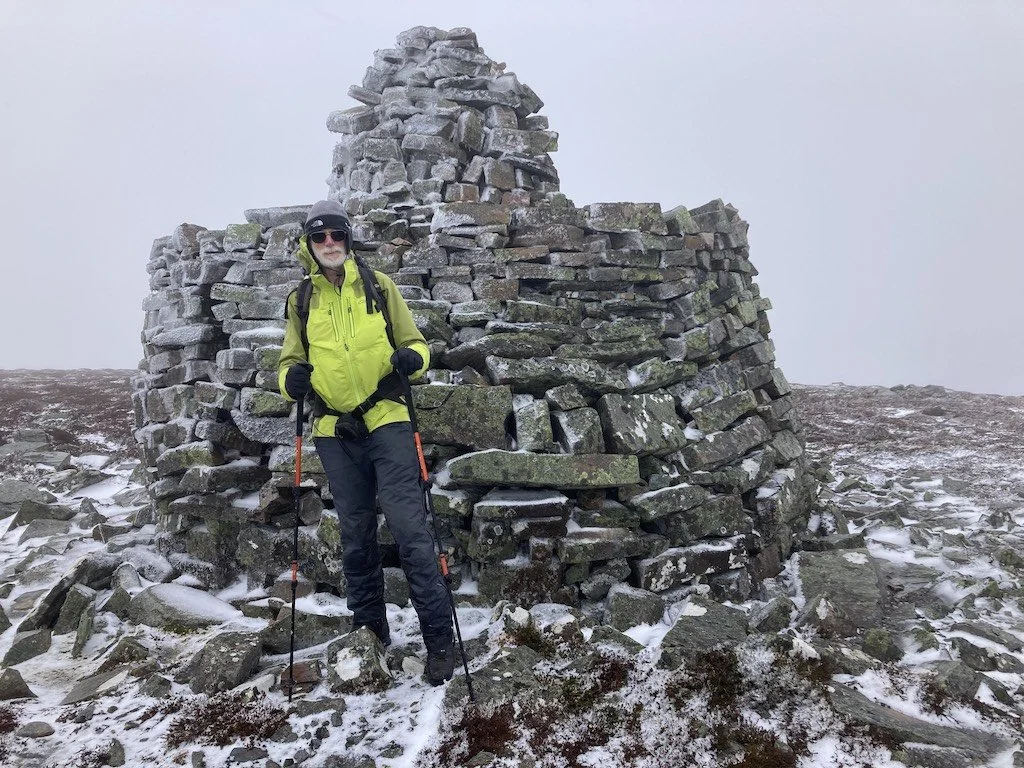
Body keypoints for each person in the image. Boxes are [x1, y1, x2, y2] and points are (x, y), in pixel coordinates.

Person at [277, 199, 455, 685]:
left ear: (348, 238)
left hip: (388, 418)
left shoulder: (379, 286)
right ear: (309, 245)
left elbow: (418, 344)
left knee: (409, 527)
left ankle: (440, 639)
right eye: (320, 237)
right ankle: (370, 630)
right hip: (335, 430)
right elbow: (288, 360)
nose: (329, 244)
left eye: (336, 234)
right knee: (355, 532)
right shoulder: (301, 301)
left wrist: (412, 361)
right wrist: (288, 379)